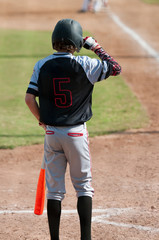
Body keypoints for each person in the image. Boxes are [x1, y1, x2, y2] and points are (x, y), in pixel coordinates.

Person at [25, 18, 121, 240]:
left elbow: (30, 99)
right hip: (76, 134)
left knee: (55, 191)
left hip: (51, 134)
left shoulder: (42, 65)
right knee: (83, 187)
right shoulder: (86, 64)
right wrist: (95, 46)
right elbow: (116, 67)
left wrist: (42, 120)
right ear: (77, 42)